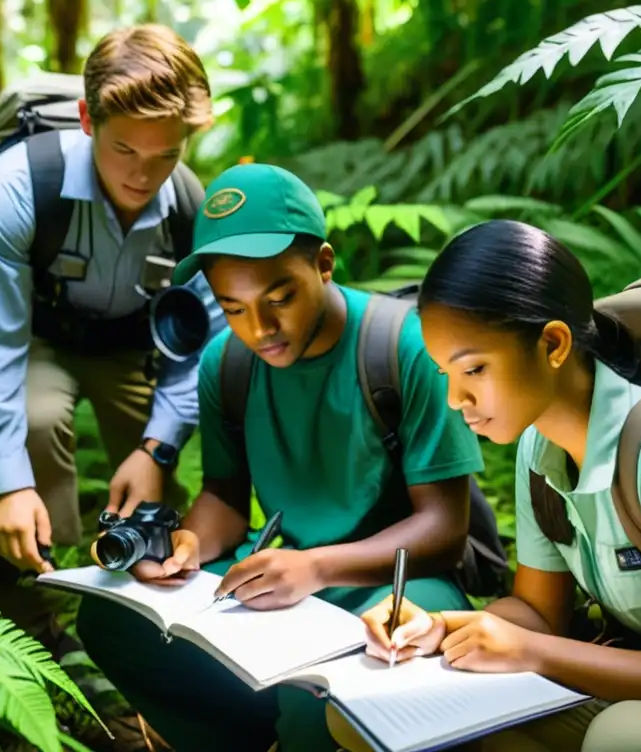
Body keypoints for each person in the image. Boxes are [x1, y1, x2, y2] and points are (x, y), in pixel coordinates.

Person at [348, 219, 641, 751]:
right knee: (409, 715)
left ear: (553, 344)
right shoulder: (539, 449)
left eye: (473, 369)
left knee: (623, 738)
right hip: (639, 680)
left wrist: (531, 651)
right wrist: (438, 627)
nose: (456, 399)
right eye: (445, 374)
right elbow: (538, 613)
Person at [75, 163, 487, 752]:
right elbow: (223, 494)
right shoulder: (227, 362)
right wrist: (190, 543)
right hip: (277, 579)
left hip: (390, 581)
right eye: (234, 308)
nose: (260, 328)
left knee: (320, 694)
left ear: (323, 264)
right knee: (114, 622)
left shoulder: (403, 347)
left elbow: (445, 529)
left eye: (280, 298)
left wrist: (316, 567)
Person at [0, 24, 225, 582]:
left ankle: (143, 603)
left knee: (158, 501)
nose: (143, 174)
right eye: (124, 148)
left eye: (165, 154)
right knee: (38, 419)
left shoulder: (191, 206)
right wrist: (9, 483)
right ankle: (41, 591)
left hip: (133, 349)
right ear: (86, 120)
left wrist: (158, 450)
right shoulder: (17, 187)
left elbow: (200, 350)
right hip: (42, 339)